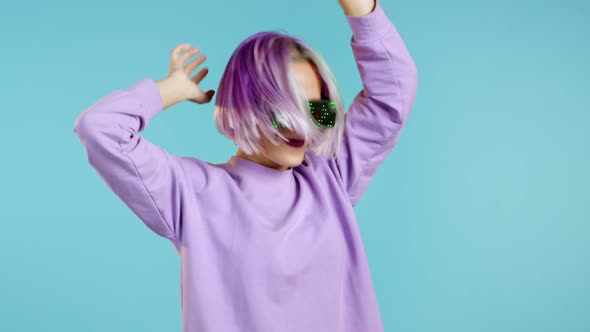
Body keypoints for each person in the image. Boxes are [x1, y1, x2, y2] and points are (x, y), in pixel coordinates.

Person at [73, 0, 418, 330]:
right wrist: (170, 89)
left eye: (317, 111)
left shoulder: (331, 176)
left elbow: (392, 94)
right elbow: (100, 129)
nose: (303, 128)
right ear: (243, 108)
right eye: (285, 112)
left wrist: (358, 6)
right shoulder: (192, 194)